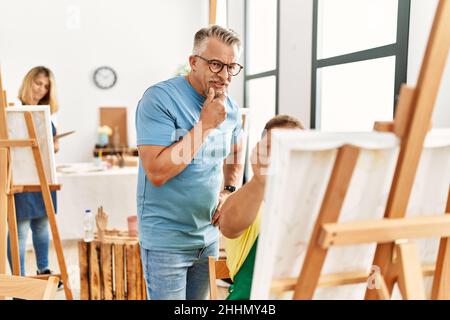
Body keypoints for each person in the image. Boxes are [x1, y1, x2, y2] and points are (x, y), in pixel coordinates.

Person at [135, 25, 244, 300]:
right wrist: (205, 125)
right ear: (193, 62)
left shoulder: (229, 107)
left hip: (207, 239)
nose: (225, 76)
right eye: (217, 64)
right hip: (165, 243)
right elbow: (158, 172)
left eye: (232, 67)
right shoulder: (159, 99)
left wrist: (229, 191)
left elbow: (236, 151)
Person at [219, 115, 304, 300]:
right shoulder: (251, 199)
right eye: (274, 148)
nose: (284, 155)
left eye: (293, 147)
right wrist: (260, 180)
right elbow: (229, 225)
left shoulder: (307, 205)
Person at [7, 66, 61, 283]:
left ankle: (43, 271)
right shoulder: (13, 111)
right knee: (19, 231)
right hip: (21, 178)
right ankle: (19, 280)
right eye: (38, 83)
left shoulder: (46, 115)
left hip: (43, 179)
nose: (41, 89)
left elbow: (49, 146)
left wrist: (54, 145)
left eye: (46, 86)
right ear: (29, 82)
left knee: (41, 226)